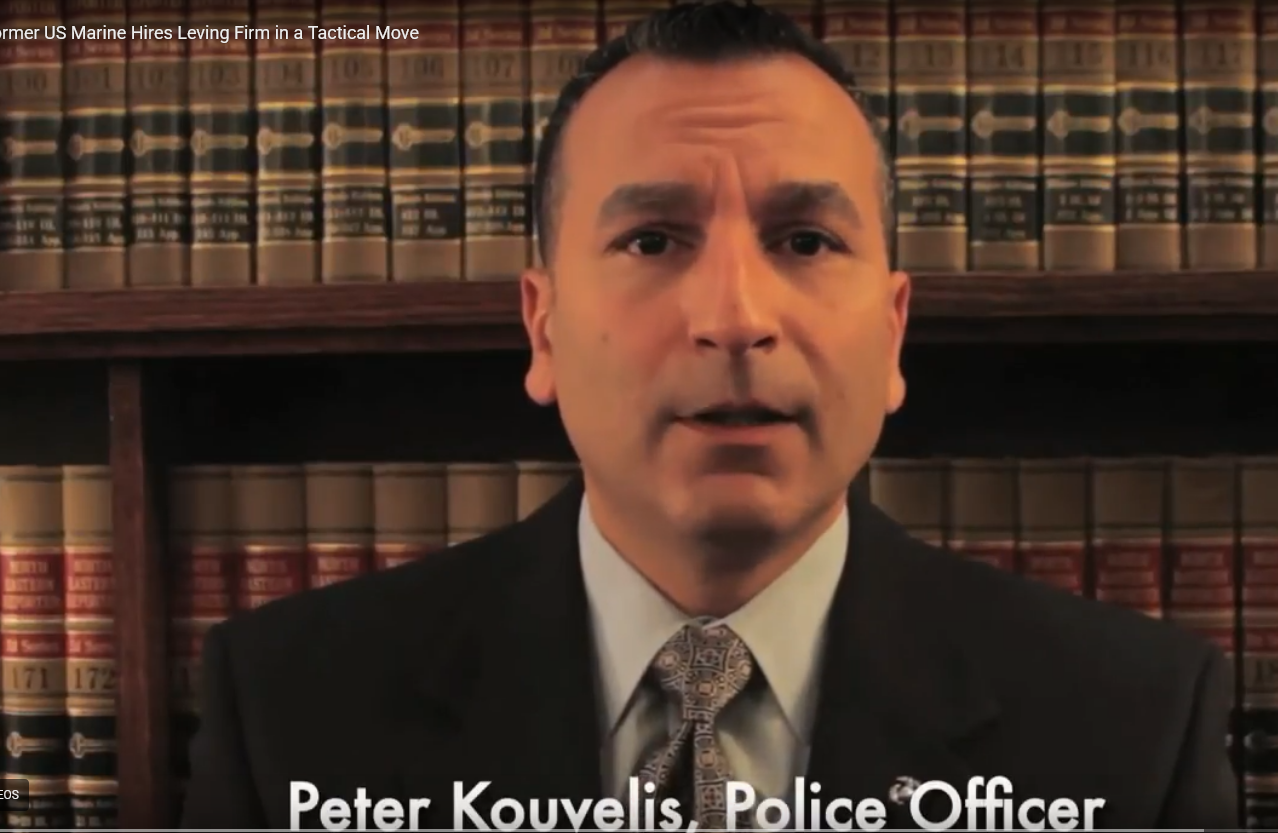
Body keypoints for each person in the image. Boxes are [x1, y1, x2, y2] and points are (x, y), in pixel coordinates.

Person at [181, 3, 1238, 829]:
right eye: (652, 240)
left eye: (805, 241)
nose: (735, 317)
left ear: (893, 332)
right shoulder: (290, 712)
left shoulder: (1132, 726)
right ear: (543, 328)